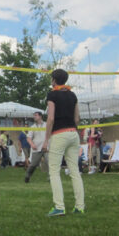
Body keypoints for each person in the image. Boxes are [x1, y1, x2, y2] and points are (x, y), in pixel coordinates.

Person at [42, 69, 85, 217]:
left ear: (54, 80)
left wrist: (46, 140)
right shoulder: (72, 95)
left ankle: (59, 207)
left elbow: (51, 118)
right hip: (73, 133)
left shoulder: (52, 94)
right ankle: (80, 206)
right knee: (75, 171)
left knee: (54, 171)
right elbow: (77, 118)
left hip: (59, 135)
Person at [25, 112, 48, 183]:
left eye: (36, 115)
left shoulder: (47, 125)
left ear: (40, 116)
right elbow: (28, 138)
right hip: (37, 148)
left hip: (46, 147)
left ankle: (51, 179)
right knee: (33, 165)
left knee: (50, 163)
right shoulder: (33, 127)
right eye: (34, 116)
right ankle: (27, 176)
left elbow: (50, 135)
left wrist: (47, 143)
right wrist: (32, 144)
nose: (34, 117)